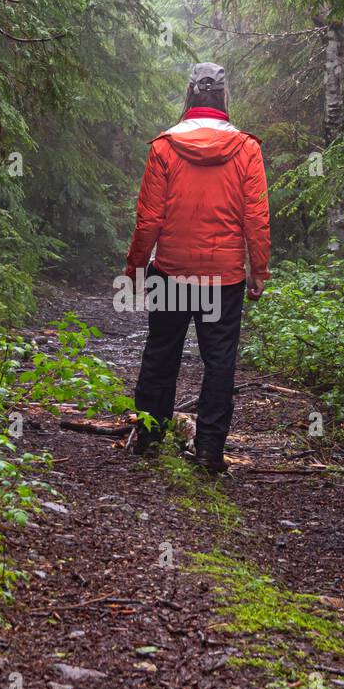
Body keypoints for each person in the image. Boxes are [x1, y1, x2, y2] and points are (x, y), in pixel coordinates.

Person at [124, 62, 270, 472]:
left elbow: (148, 218)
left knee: (161, 353)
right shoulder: (246, 149)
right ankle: (208, 451)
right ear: (223, 97)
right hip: (224, 276)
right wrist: (259, 269)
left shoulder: (165, 147)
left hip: (171, 270)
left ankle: (149, 440)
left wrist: (135, 267)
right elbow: (255, 217)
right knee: (219, 361)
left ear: (189, 95)